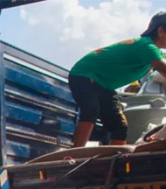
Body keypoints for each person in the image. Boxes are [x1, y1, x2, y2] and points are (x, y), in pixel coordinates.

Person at [70, 11, 166, 147]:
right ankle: (75, 153)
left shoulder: (154, 52)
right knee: (90, 111)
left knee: (119, 126)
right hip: (85, 75)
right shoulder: (146, 46)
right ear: (161, 30)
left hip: (104, 84)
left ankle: (117, 161)